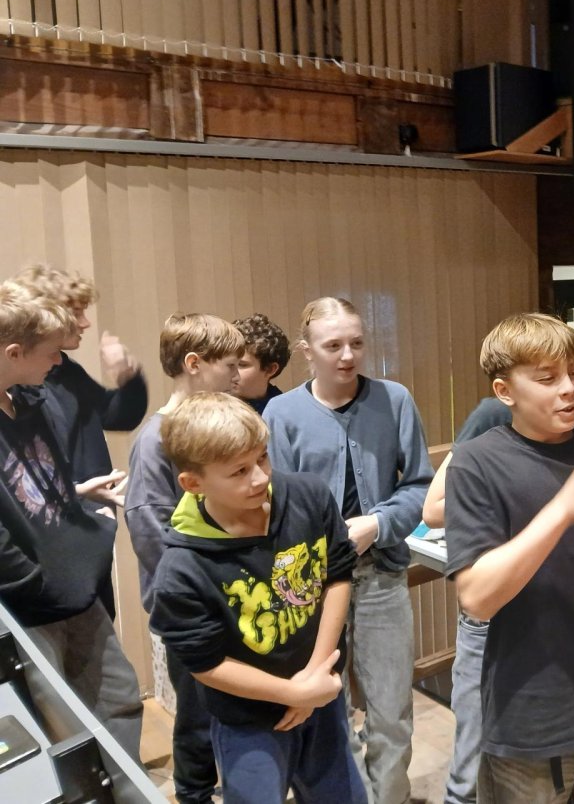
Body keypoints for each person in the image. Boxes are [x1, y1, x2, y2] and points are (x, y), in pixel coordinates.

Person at [423, 320, 574, 804]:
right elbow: (477, 597)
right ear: (504, 391)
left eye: (573, 373)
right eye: (547, 378)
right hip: (530, 710)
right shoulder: (477, 463)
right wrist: (563, 508)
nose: (570, 390)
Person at [149, 392, 366, 804]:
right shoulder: (182, 570)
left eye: (262, 458)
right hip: (247, 721)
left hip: (321, 691)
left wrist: (313, 677)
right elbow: (206, 664)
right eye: (239, 471)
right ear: (193, 484)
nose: (260, 478)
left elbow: (337, 575)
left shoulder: (308, 495)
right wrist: (291, 694)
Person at [263, 297, 434, 804]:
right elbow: (275, 504)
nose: (347, 356)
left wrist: (378, 524)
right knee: (326, 711)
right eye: (333, 345)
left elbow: (421, 486)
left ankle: (389, 797)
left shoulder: (394, 400)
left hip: (382, 575)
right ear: (306, 351)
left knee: (391, 713)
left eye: (356, 343)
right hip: (312, 589)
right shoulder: (281, 413)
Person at [0, 281, 143, 759]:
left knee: (118, 700)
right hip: (32, 604)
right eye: (49, 353)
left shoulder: (31, 399)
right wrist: (36, 585)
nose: (57, 361)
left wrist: (74, 495)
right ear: (15, 353)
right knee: (53, 730)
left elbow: (34, 484)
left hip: (74, 589)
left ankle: (124, 788)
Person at [126, 312, 244, 804]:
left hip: (234, 600)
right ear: (194, 364)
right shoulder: (156, 440)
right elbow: (152, 533)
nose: (238, 376)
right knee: (197, 718)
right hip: (194, 610)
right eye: (230, 366)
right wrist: (206, 592)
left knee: (233, 713)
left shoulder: (218, 428)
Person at [11, 265, 148, 618]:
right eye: (76, 312)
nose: (85, 323)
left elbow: (115, 415)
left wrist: (128, 376)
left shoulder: (64, 371)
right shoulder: (23, 384)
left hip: (86, 521)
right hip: (57, 534)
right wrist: (76, 494)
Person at [233, 313, 291, 414]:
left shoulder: (284, 413)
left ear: (270, 369)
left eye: (241, 365)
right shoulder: (211, 406)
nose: (230, 372)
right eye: (228, 363)